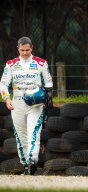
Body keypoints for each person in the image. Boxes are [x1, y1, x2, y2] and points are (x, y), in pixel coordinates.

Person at [0, 37, 53, 175]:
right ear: (18, 48)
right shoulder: (10, 64)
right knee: (20, 136)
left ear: (32, 48)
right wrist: (6, 98)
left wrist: (46, 96)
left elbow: (48, 82)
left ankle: (32, 161)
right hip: (17, 104)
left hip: (35, 104)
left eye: (27, 50)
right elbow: (3, 83)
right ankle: (25, 165)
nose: (24, 53)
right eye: (22, 50)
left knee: (33, 133)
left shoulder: (41, 63)